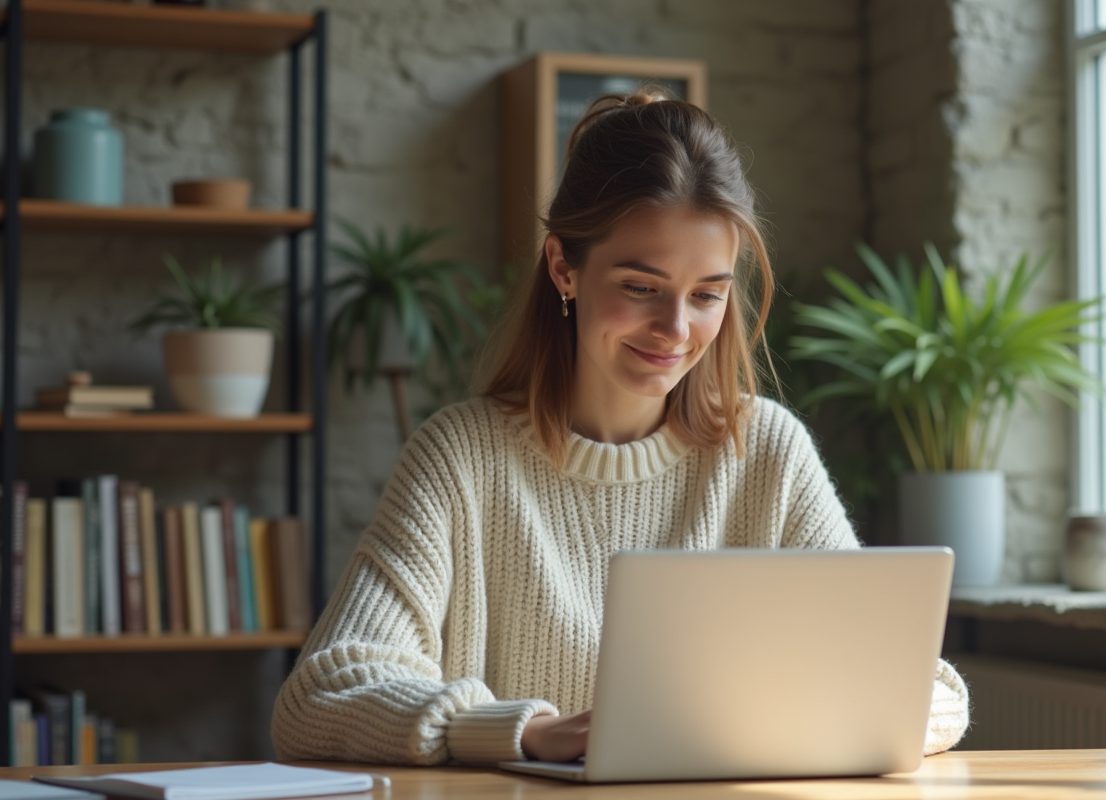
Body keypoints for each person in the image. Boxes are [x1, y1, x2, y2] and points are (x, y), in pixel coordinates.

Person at [272, 91, 970, 766]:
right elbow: (318, 700)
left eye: (707, 296)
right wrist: (523, 731)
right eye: (641, 287)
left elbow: (926, 690)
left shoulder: (765, 452)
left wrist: (881, 713)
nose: (675, 330)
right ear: (563, 268)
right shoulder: (460, 457)